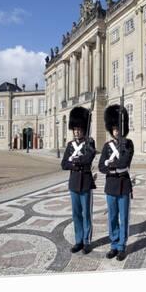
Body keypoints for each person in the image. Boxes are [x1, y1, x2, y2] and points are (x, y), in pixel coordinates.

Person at [98, 105, 134, 261]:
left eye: (119, 128)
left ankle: (121, 246)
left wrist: (110, 165)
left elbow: (125, 163)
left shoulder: (128, 144)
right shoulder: (107, 146)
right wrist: (113, 166)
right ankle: (113, 244)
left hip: (124, 186)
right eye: (114, 128)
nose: (116, 131)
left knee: (124, 218)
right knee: (112, 217)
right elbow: (100, 166)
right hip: (111, 186)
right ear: (111, 129)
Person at [61, 106, 96, 255]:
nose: (76, 131)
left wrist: (74, 160)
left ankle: (87, 241)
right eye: (74, 129)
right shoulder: (70, 145)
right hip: (74, 183)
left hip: (86, 182)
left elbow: (88, 158)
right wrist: (76, 162)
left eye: (79, 128)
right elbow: (64, 164)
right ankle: (78, 240)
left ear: (84, 129)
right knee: (76, 214)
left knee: (86, 214)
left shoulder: (90, 143)